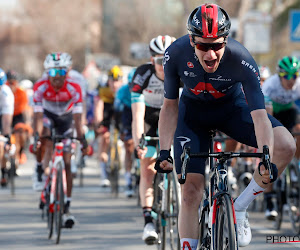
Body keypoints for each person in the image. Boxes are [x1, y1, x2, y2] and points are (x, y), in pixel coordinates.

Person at [156, 3, 295, 248]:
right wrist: (164, 150)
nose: (210, 55)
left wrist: (264, 155)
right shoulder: (174, 54)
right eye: (202, 46)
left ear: (226, 41)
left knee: (285, 145)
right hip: (192, 117)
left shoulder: (241, 58)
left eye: (217, 46)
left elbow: (260, 115)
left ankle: (239, 207)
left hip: (232, 111)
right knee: (190, 193)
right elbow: (169, 106)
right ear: (191, 41)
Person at [33, 52, 87, 228]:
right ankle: (44, 170)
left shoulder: (74, 88)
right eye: (52, 73)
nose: (57, 78)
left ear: (68, 73)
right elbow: (38, 116)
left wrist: (82, 138)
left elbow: (78, 118)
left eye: (61, 73)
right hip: (48, 116)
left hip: (67, 119)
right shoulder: (40, 87)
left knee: (68, 162)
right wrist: (37, 136)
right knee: (46, 136)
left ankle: (67, 206)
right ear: (46, 73)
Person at [131, 35, 175, 245]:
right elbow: (137, 115)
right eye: (159, 62)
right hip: (149, 119)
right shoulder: (142, 75)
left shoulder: (182, 73)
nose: (164, 67)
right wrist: (139, 140)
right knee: (147, 169)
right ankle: (148, 221)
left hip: (173, 117)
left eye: (167, 61)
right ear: (151, 61)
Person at [262, 56, 300, 220]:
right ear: (280, 76)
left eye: (295, 75)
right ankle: (269, 202)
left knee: (299, 130)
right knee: (271, 156)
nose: (291, 80)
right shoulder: (270, 85)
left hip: (290, 112)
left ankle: (296, 166)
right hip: (273, 113)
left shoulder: (298, 86)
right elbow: (267, 116)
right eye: (287, 76)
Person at [94, 65, 124, 187]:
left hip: (119, 111)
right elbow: (98, 106)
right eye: (112, 81)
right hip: (107, 110)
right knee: (104, 138)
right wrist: (98, 122)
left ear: (121, 81)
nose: (114, 84)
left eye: (117, 81)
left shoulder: (124, 89)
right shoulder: (103, 89)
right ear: (108, 81)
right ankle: (103, 173)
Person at [114, 67, 136, 197]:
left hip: (142, 110)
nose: (133, 88)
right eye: (130, 85)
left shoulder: (144, 90)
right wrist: (120, 129)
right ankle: (128, 179)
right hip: (127, 114)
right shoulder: (122, 91)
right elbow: (117, 112)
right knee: (129, 146)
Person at [6, 70, 32, 166]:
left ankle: (20, 151)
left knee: (21, 131)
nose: (11, 85)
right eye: (9, 83)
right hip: (5, 114)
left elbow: (25, 109)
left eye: (13, 83)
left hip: (17, 115)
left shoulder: (21, 92)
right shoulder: (4, 91)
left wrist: (27, 123)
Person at [0, 69, 14, 187]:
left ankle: (3, 170)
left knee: (1, 143)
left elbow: (6, 120)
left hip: (2, 114)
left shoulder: (6, 94)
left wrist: (6, 137)